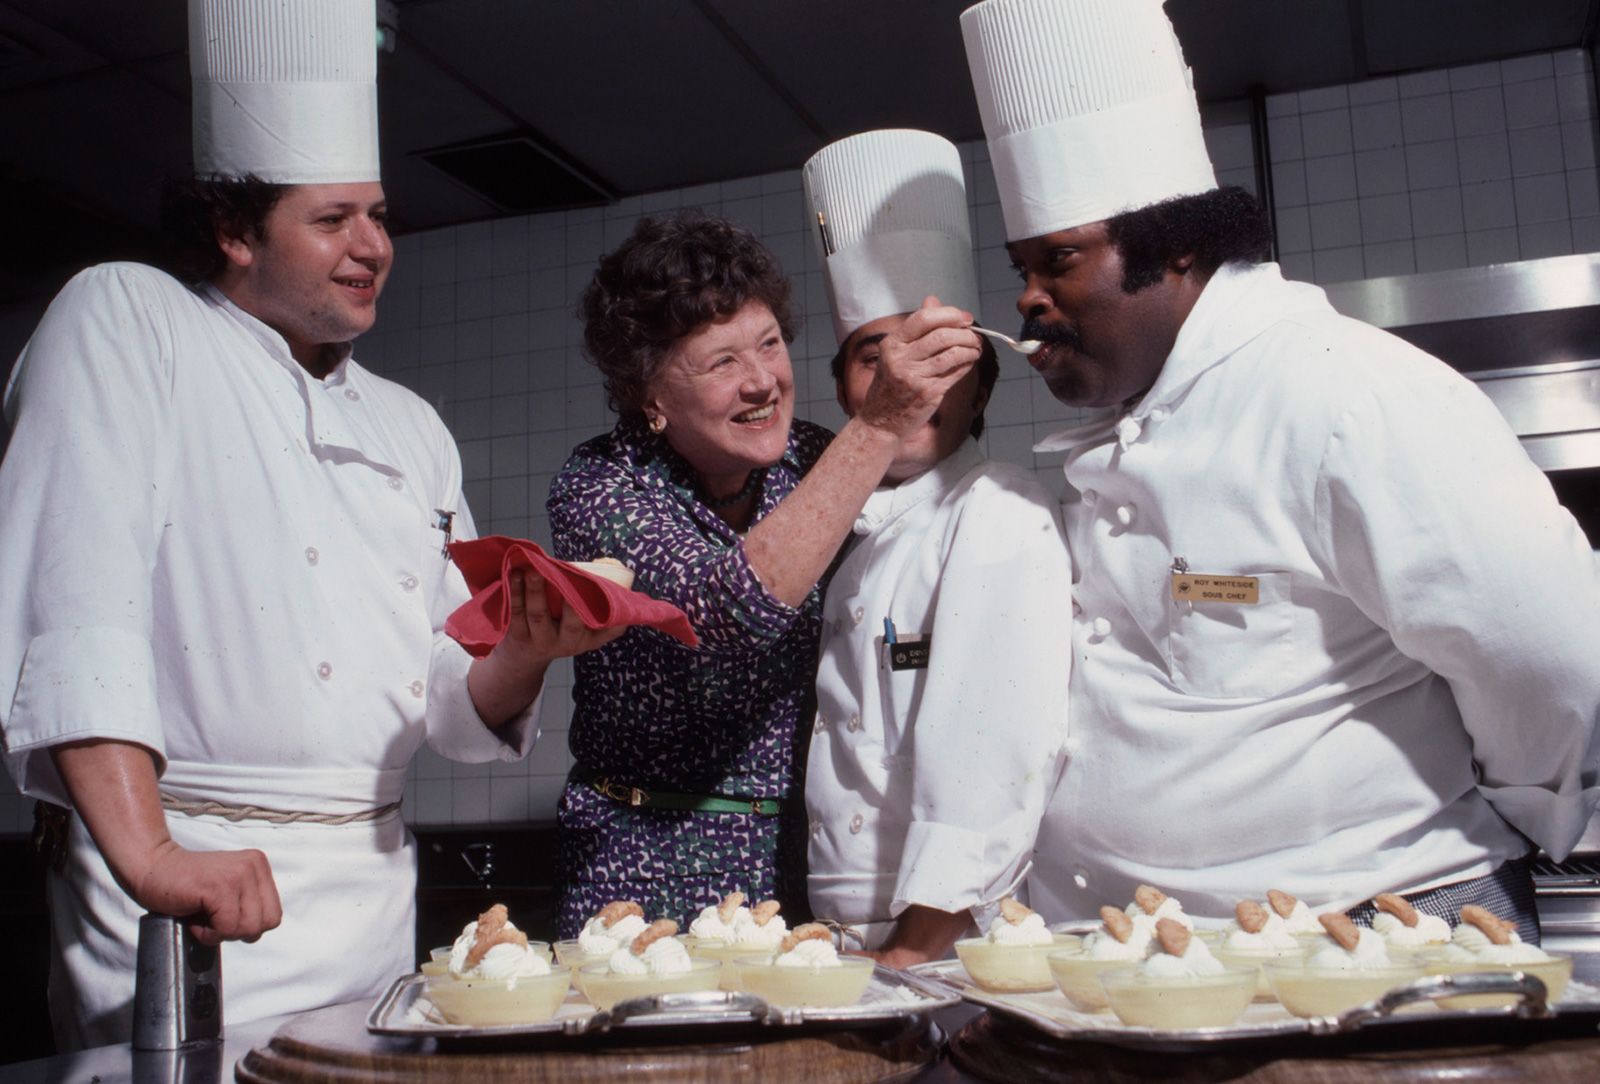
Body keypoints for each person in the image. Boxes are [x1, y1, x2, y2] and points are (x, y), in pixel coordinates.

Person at [0, 0, 608, 1049]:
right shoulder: (129, 320)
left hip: (370, 901)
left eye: (379, 216)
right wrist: (149, 856)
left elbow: (454, 708)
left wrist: (528, 644)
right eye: (332, 220)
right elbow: (75, 603)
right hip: (184, 889)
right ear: (234, 229)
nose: (373, 245)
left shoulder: (412, 427)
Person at [961, 0, 1600, 939]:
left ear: (1175, 243)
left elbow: (1551, 654)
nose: (1026, 298)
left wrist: (1519, 809)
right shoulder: (1139, 421)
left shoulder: (1346, 395)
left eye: (1059, 259)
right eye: (1022, 265)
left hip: (1371, 923)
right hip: (1153, 945)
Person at [548, 209, 982, 935]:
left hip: (800, 861)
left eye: (770, 345)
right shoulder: (602, 486)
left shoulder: (814, 457)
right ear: (650, 395)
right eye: (721, 362)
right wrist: (875, 425)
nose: (763, 383)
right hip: (639, 863)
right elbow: (728, 613)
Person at [800, 130, 1072, 967]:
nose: (901, 383)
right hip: (846, 927)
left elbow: (991, 761)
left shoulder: (995, 512)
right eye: (870, 358)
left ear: (983, 381)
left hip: (945, 935)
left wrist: (915, 950)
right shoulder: (846, 534)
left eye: (934, 359)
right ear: (845, 386)